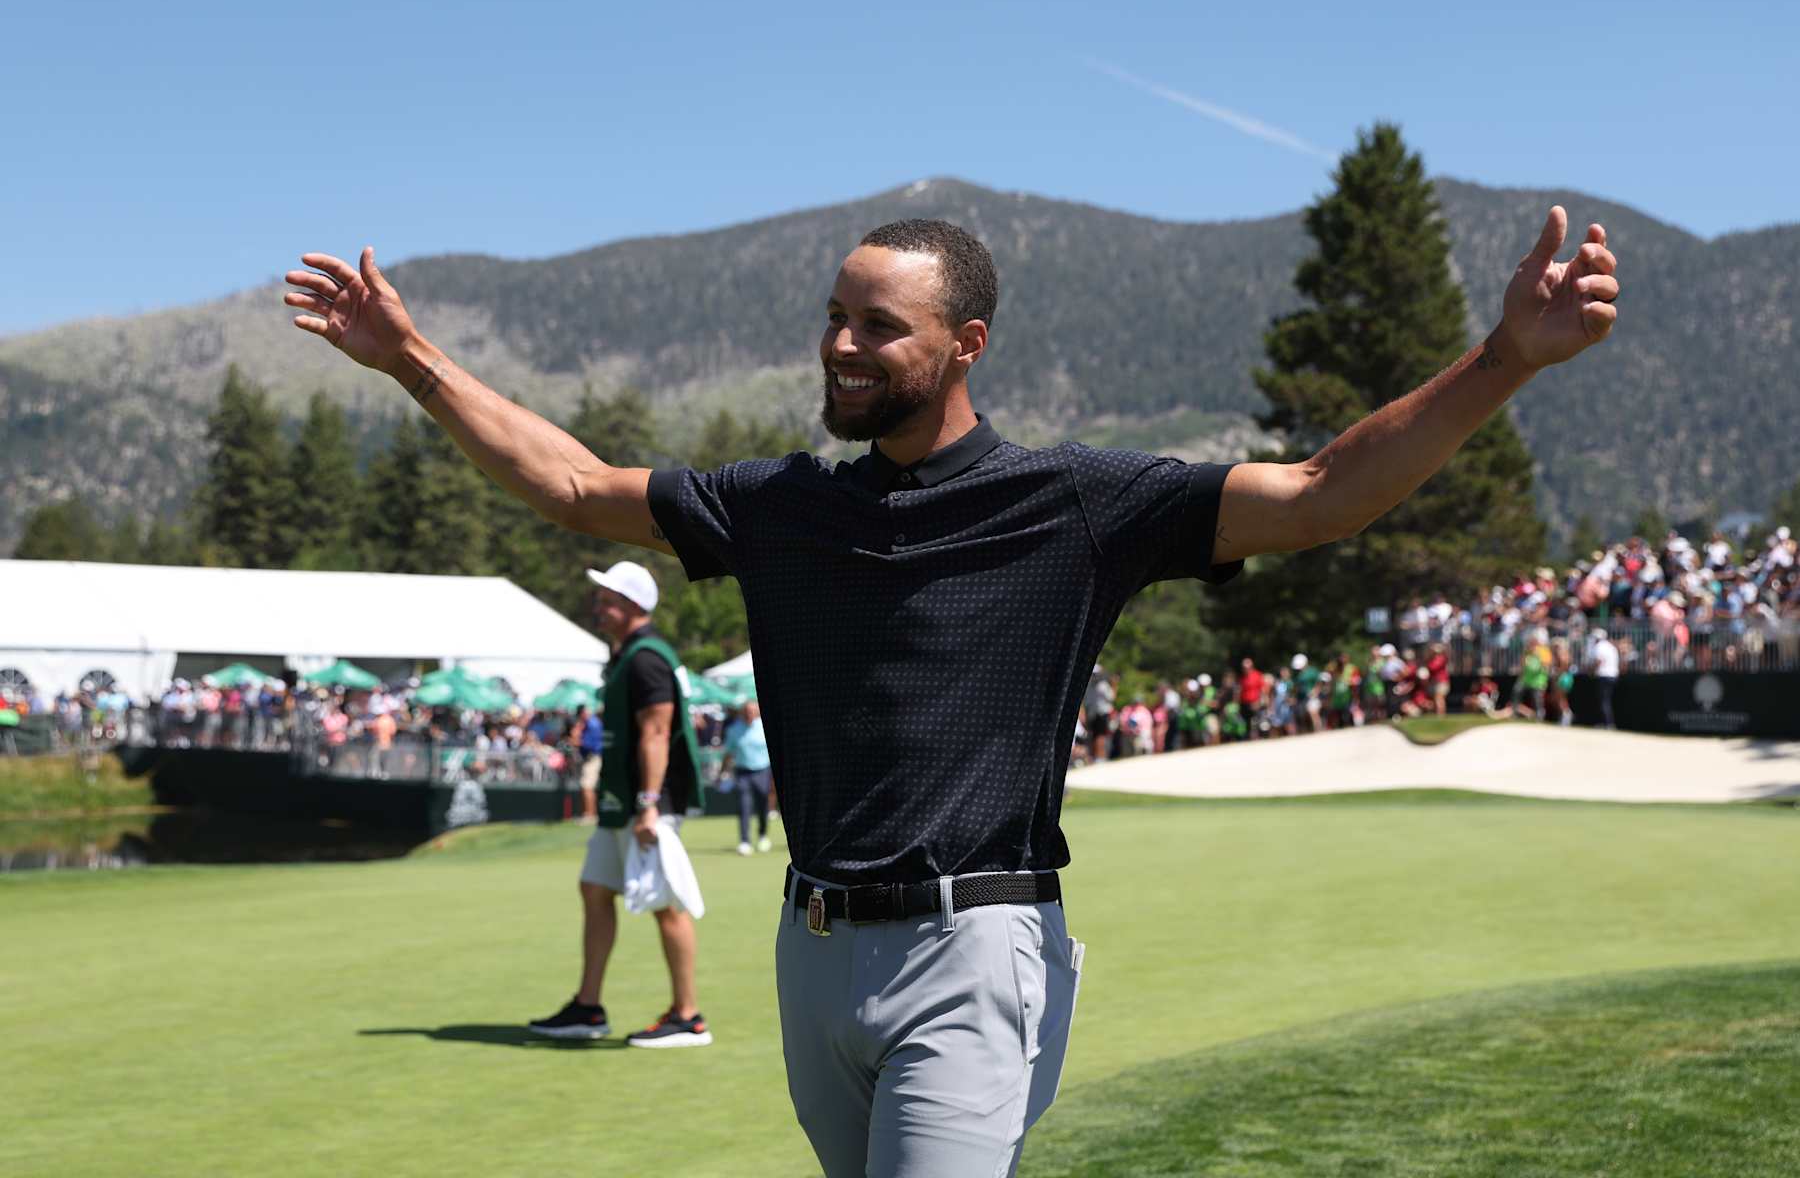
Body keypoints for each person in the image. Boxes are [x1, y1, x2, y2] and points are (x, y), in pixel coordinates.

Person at [288, 204, 1617, 1174]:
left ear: (964, 342)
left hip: (971, 952)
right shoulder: (783, 505)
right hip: (810, 954)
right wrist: (412, 361)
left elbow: (1325, 495)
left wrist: (1502, 359)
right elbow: (574, 487)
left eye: (879, 326)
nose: (841, 345)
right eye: (833, 318)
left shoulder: (1077, 504)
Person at [527, 561, 712, 1048]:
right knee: (594, 888)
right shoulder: (627, 655)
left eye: (606, 599)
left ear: (632, 606)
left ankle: (689, 1016)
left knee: (665, 903)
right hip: (622, 801)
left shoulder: (647, 657)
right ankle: (588, 1008)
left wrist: (649, 804)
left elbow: (656, 733)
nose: (598, 607)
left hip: (645, 802)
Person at [723, 700, 773, 856]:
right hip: (742, 771)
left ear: (757, 712)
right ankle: (745, 841)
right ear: (741, 713)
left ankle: (763, 835)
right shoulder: (733, 729)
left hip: (762, 770)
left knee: (762, 803)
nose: (749, 713)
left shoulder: (764, 726)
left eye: (752, 711)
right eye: (746, 711)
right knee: (744, 805)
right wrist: (723, 771)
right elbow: (729, 753)